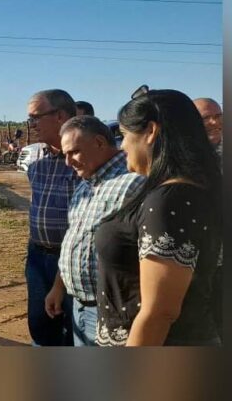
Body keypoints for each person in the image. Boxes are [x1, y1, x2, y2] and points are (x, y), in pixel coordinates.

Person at [95, 86, 222, 346]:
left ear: (151, 132)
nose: (122, 147)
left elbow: (160, 312)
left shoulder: (170, 200)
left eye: (124, 136)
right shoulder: (179, 191)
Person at [45, 116, 144, 346]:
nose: (68, 162)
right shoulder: (86, 184)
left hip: (111, 311)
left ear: (99, 142)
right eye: (65, 154)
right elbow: (76, 237)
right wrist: (59, 287)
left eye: (74, 152)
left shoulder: (132, 184)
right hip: (78, 304)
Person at [25, 89, 81, 346]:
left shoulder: (84, 158)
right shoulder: (35, 157)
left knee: (74, 330)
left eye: (36, 117)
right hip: (37, 255)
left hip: (73, 259)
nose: (31, 124)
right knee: (40, 326)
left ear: (60, 116)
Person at [193, 97, 223, 341]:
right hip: (196, 266)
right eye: (206, 118)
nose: (214, 122)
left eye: (219, 116)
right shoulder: (184, 161)